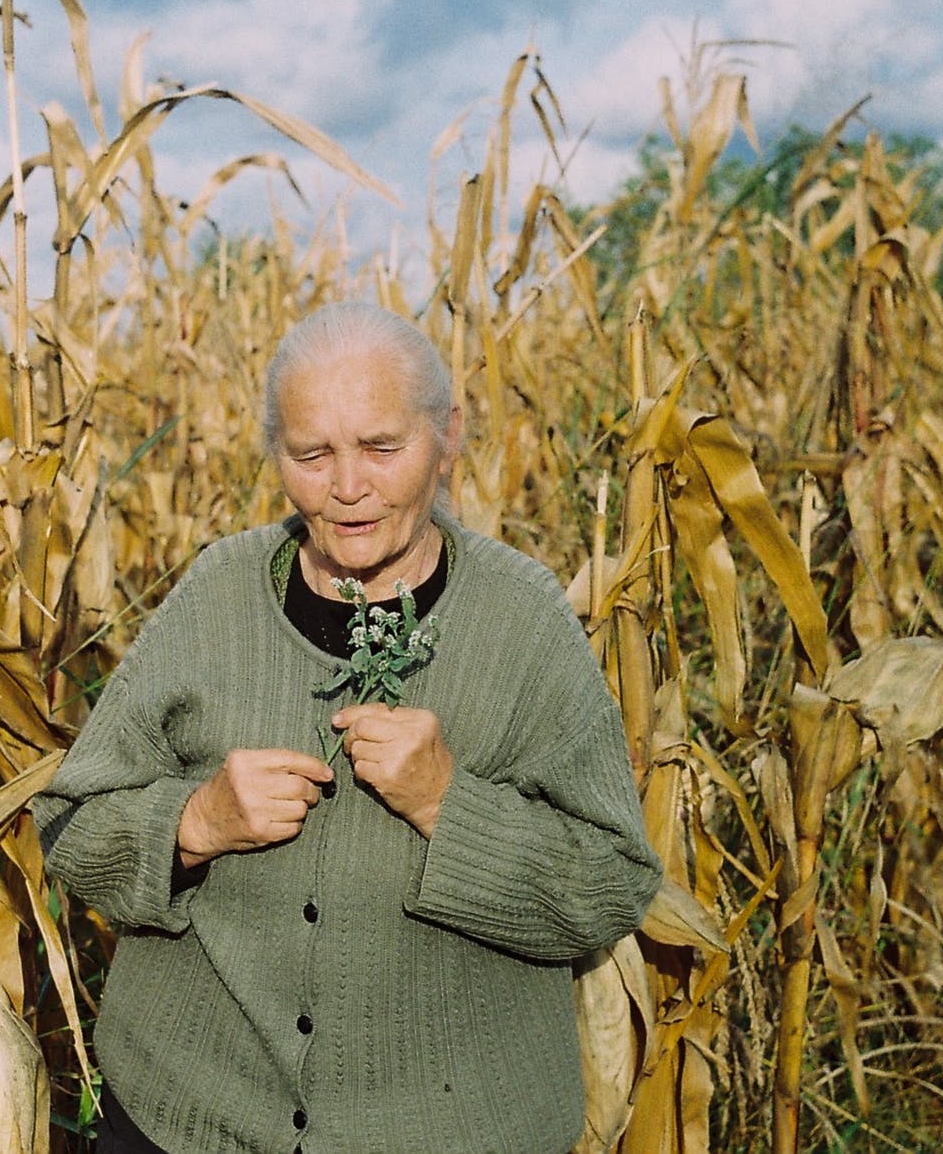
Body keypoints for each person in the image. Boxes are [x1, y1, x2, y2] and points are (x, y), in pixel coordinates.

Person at [33, 301, 660, 1153]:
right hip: (185, 1119)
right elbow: (69, 826)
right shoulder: (216, 593)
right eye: (312, 453)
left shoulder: (524, 622)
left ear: (449, 435)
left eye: (381, 447)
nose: (349, 485)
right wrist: (195, 822)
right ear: (276, 454)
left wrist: (450, 805)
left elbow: (614, 884)